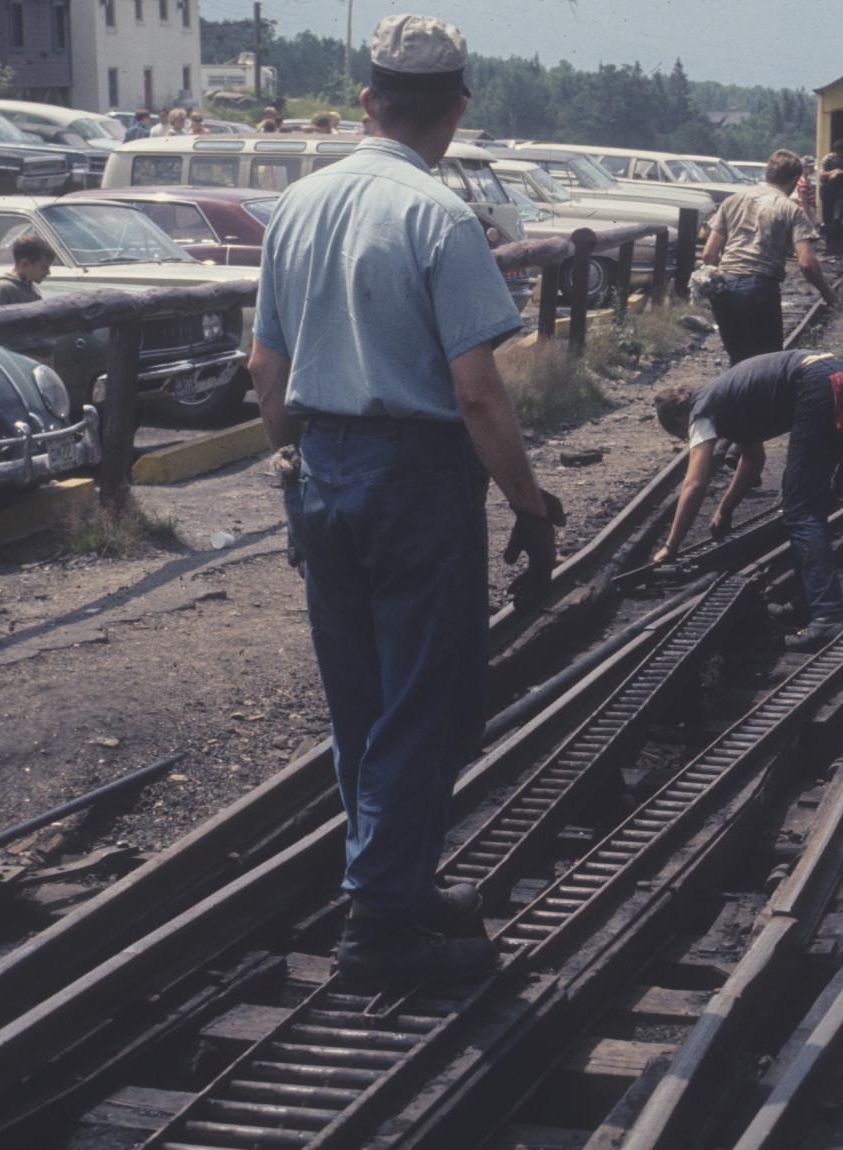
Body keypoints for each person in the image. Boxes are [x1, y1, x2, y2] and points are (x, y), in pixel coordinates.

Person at [248, 13, 563, 984]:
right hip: (416, 479)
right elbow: (476, 389)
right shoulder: (438, 217)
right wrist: (526, 501)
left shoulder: (296, 205)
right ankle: (379, 926)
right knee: (426, 704)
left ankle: (399, 881)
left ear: (364, 101)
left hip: (321, 469)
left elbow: (266, 368)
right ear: (457, 109)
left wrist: (303, 465)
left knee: (363, 706)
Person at [652, 348, 843, 651]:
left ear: (678, 419)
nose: (685, 439)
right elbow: (753, 460)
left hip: (820, 385)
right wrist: (724, 510)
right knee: (804, 501)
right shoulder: (730, 400)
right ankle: (807, 601)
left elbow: (695, 483)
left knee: (801, 511)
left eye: (678, 434)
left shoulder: (700, 410)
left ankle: (827, 617)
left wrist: (670, 547)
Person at [701, 149, 837, 366]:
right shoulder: (790, 209)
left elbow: (709, 254)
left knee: (737, 361)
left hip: (723, 286)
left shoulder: (732, 201)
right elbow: (807, 264)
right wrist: (827, 292)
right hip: (759, 287)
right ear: (795, 179)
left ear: (767, 174)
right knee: (766, 364)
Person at [0, 232, 56, 306]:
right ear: (25, 263)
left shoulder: (32, 289)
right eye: (44, 267)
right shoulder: (4, 289)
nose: (48, 272)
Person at [818, 138, 843, 227]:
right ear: (840, 151)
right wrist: (833, 172)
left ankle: (838, 217)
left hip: (841, 185)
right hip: (828, 185)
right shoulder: (827, 158)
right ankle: (827, 223)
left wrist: (838, 172)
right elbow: (821, 175)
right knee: (826, 200)